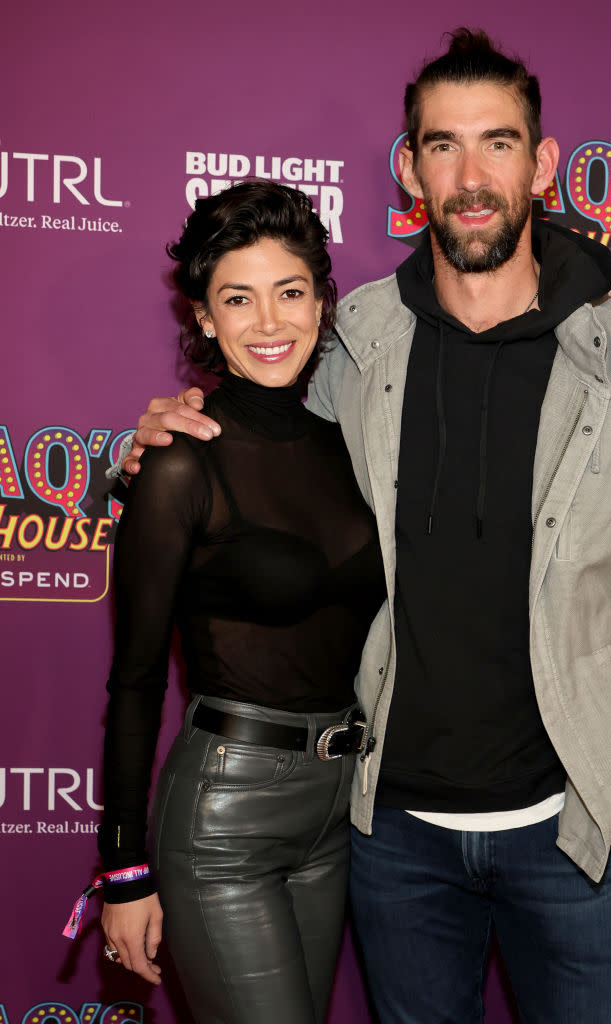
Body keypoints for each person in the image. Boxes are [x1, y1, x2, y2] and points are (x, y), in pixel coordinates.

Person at [119, 29, 611, 1024]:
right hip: (391, 836)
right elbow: (241, 444)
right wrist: (140, 450)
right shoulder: (351, 340)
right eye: (444, 145)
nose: (474, 174)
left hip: (567, 833)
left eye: (499, 142)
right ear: (410, 167)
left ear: (544, 161)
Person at [93, 180, 385, 1024]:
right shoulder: (181, 461)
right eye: (238, 298)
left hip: (337, 813)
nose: (269, 322)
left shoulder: (348, 453)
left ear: (323, 304)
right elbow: (136, 680)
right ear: (204, 319)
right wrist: (122, 866)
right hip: (224, 818)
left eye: (290, 292)